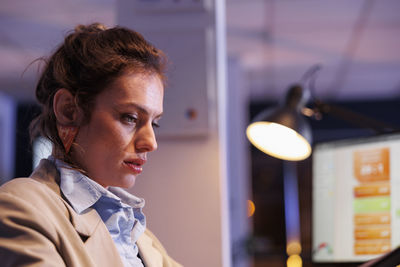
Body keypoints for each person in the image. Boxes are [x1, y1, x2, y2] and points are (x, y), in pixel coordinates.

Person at [0, 23, 182, 267]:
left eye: (154, 123)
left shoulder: (141, 237)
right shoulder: (21, 206)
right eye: (130, 118)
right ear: (69, 110)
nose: (150, 142)